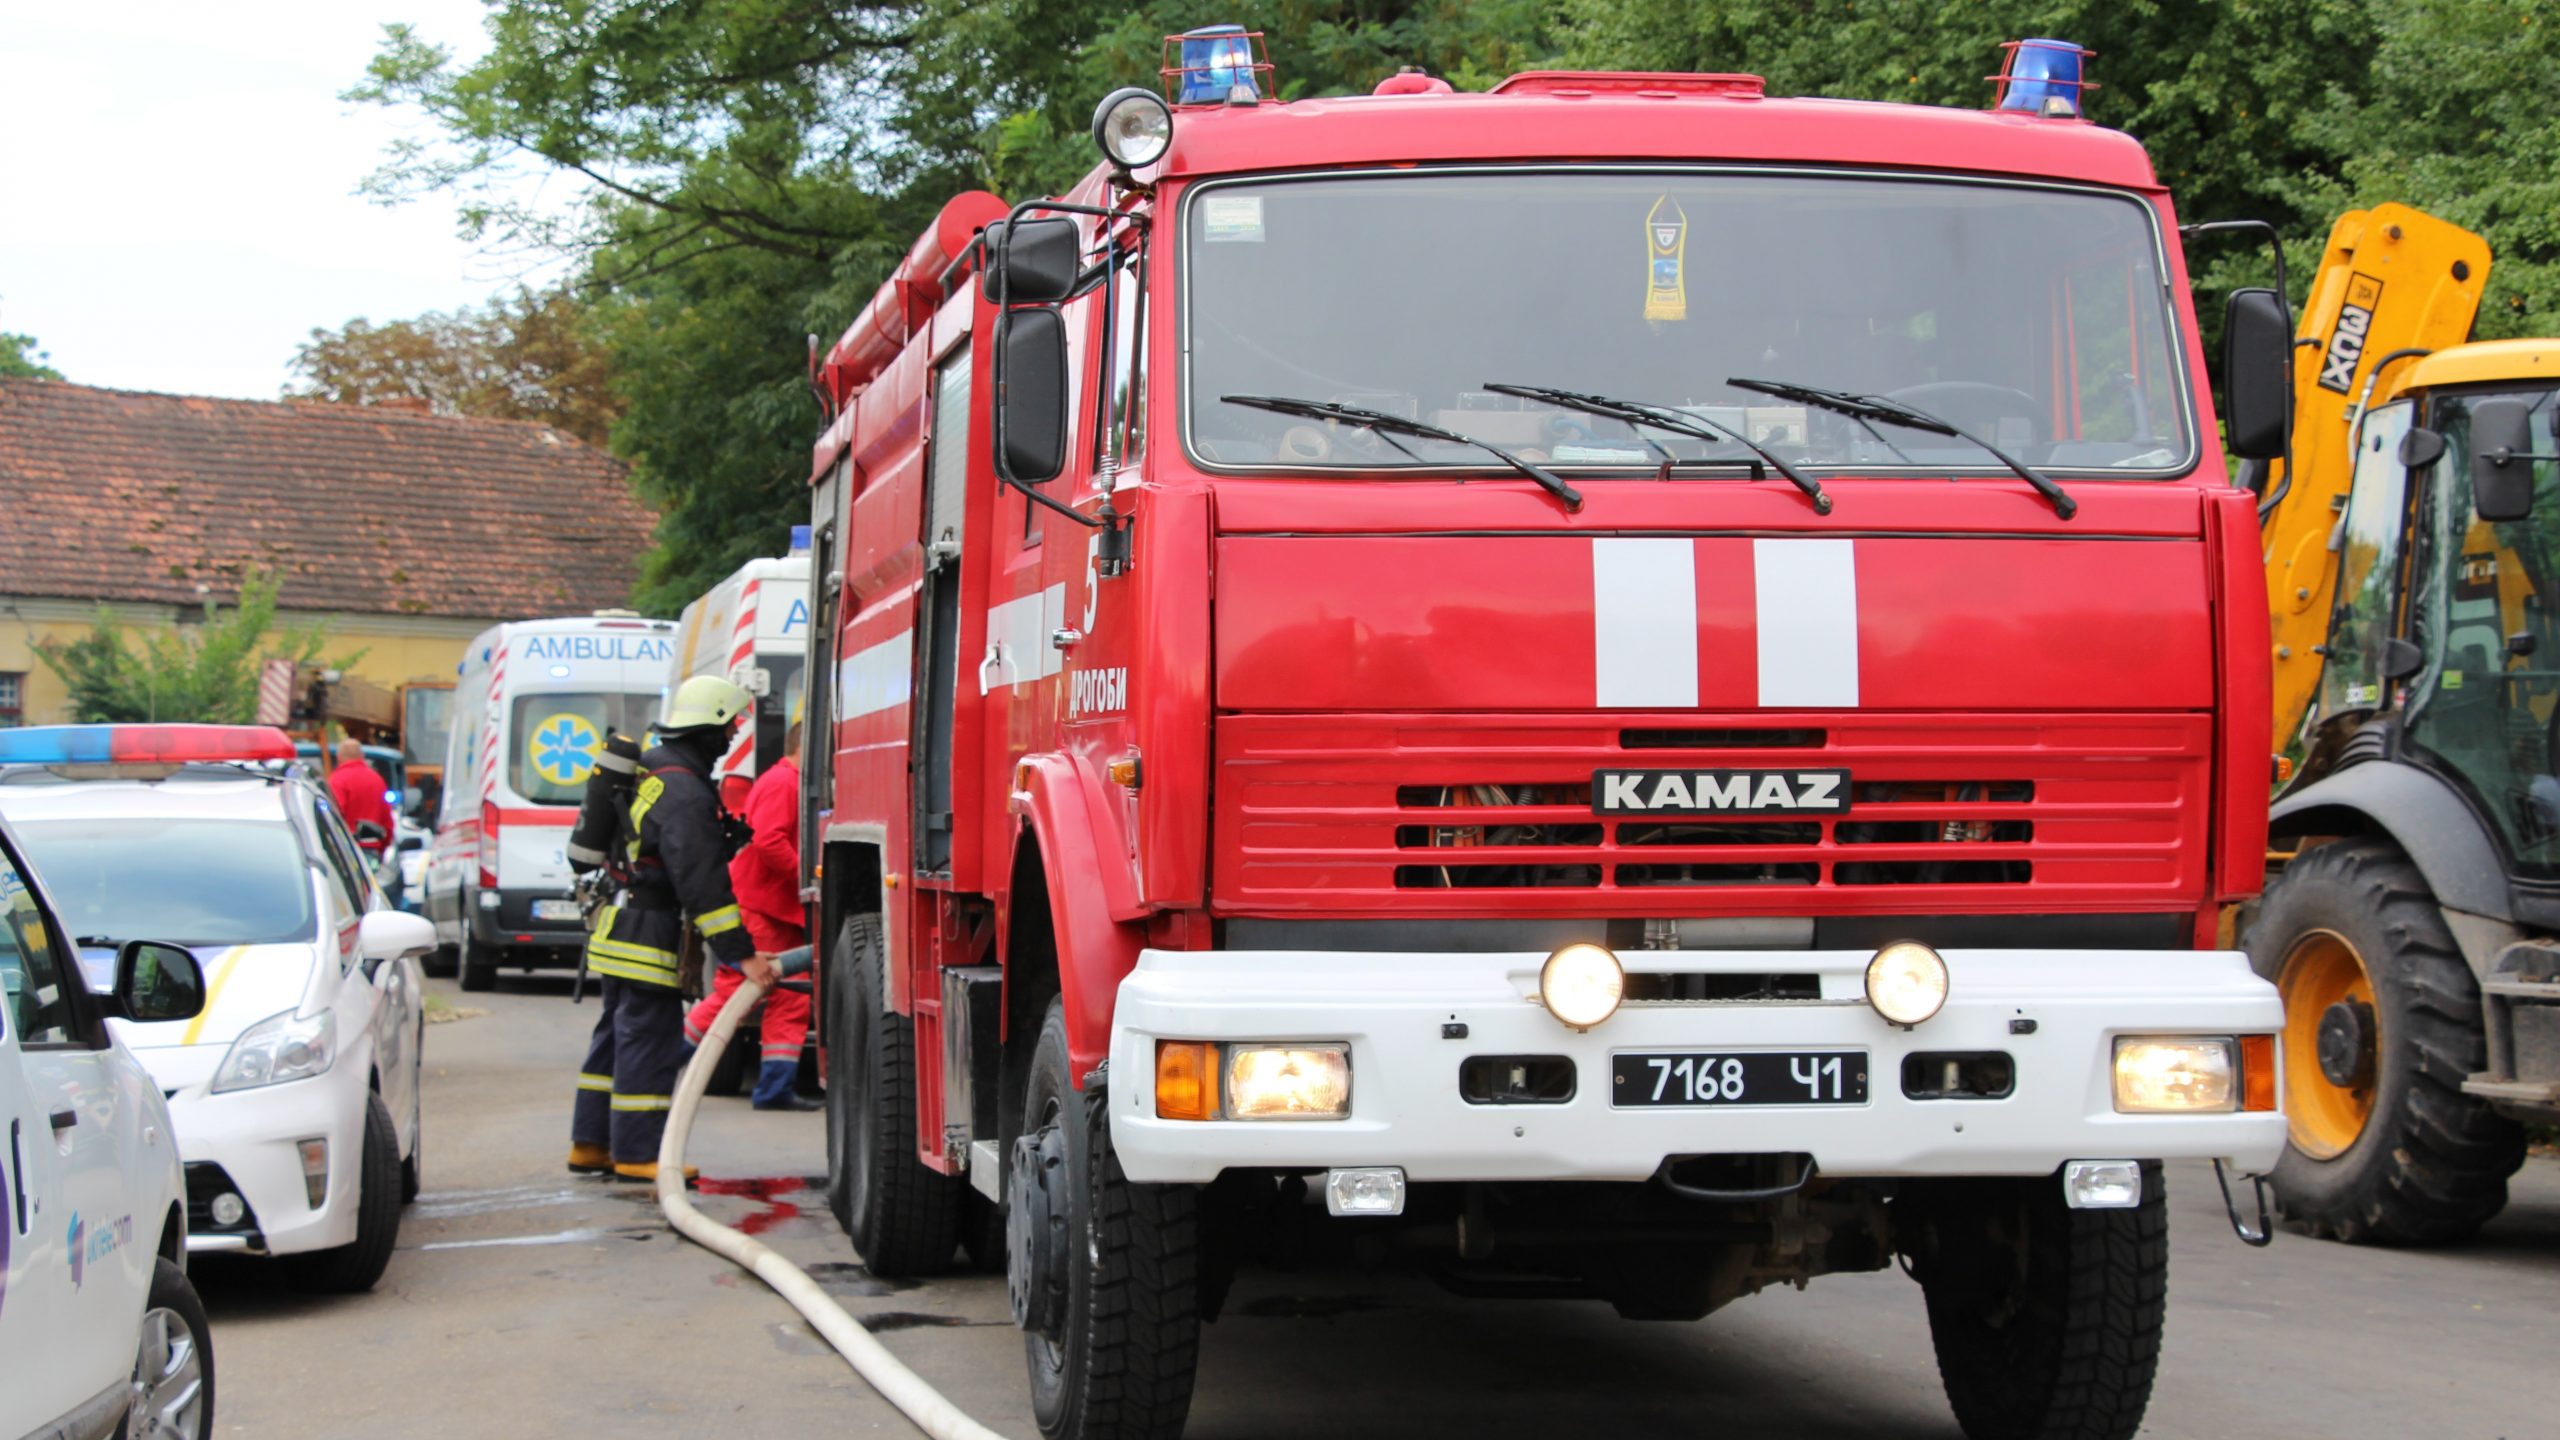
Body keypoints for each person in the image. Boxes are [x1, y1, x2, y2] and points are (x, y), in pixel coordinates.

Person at [567, 676, 777, 1183]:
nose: (731, 738)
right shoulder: (684, 791)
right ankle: (638, 1153)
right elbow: (702, 882)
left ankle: (590, 1144)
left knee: (614, 1038)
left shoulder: (653, 770)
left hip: (619, 920)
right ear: (708, 728)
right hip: (648, 929)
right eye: (728, 728)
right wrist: (741, 954)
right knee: (648, 1041)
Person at [684, 716, 813, 1110]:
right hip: (766, 908)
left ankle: (775, 1090)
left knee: (788, 997)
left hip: (777, 910)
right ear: (803, 746)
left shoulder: (784, 781)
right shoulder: (784, 783)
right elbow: (769, 840)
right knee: (735, 994)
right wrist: (806, 880)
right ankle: (670, 1053)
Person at [325, 738, 394, 858]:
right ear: (362, 756)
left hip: (347, 853)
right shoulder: (377, 780)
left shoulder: (336, 781)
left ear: (339, 757)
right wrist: (382, 847)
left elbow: (333, 818)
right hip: (372, 849)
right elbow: (387, 821)